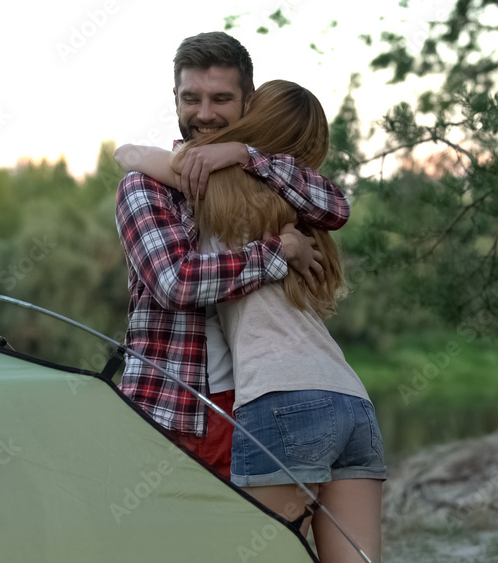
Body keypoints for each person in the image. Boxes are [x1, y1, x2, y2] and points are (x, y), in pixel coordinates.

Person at [116, 79, 385, 563]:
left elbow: (142, 160)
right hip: (352, 401)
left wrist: (137, 152)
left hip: (281, 397)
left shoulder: (221, 191)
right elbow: (337, 204)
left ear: (254, 117)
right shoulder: (298, 209)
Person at [113, 31, 350, 479]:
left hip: (264, 402)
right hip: (175, 407)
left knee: (268, 525)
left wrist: (245, 154)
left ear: (249, 101)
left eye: (221, 98)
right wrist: (281, 251)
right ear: (175, 99)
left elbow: (336, 207)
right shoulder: (145, 184)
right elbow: (176, 282)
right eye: (191, 98)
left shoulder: (268, 176)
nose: (204, 114)